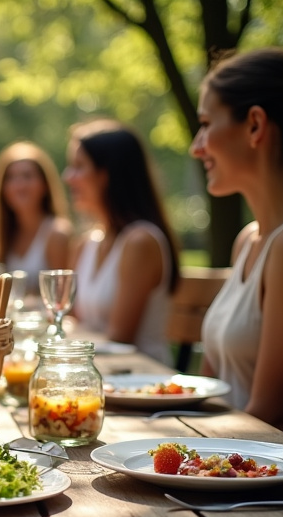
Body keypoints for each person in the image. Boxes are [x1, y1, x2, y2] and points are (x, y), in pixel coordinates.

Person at [191, 48, 283, 461]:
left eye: (205, 125)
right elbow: (211, 391)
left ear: (255, 125)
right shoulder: (250, 240)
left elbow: (274, 416)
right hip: (234, 473)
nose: (196, 147)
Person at [63, 119, 180, 365]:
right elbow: (67, 319)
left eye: (79, 166)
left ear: (106, 175)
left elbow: (120, 340)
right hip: (96, 377)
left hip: (144, 385)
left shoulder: (140, 241)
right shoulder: (87, 243)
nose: (68, 177)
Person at [0, 141, 73, 295]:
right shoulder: (5, 232)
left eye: (27, 176)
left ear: (44, 184)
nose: (19, 185)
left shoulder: (57, 233)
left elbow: (62, 298)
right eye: (10, 178)